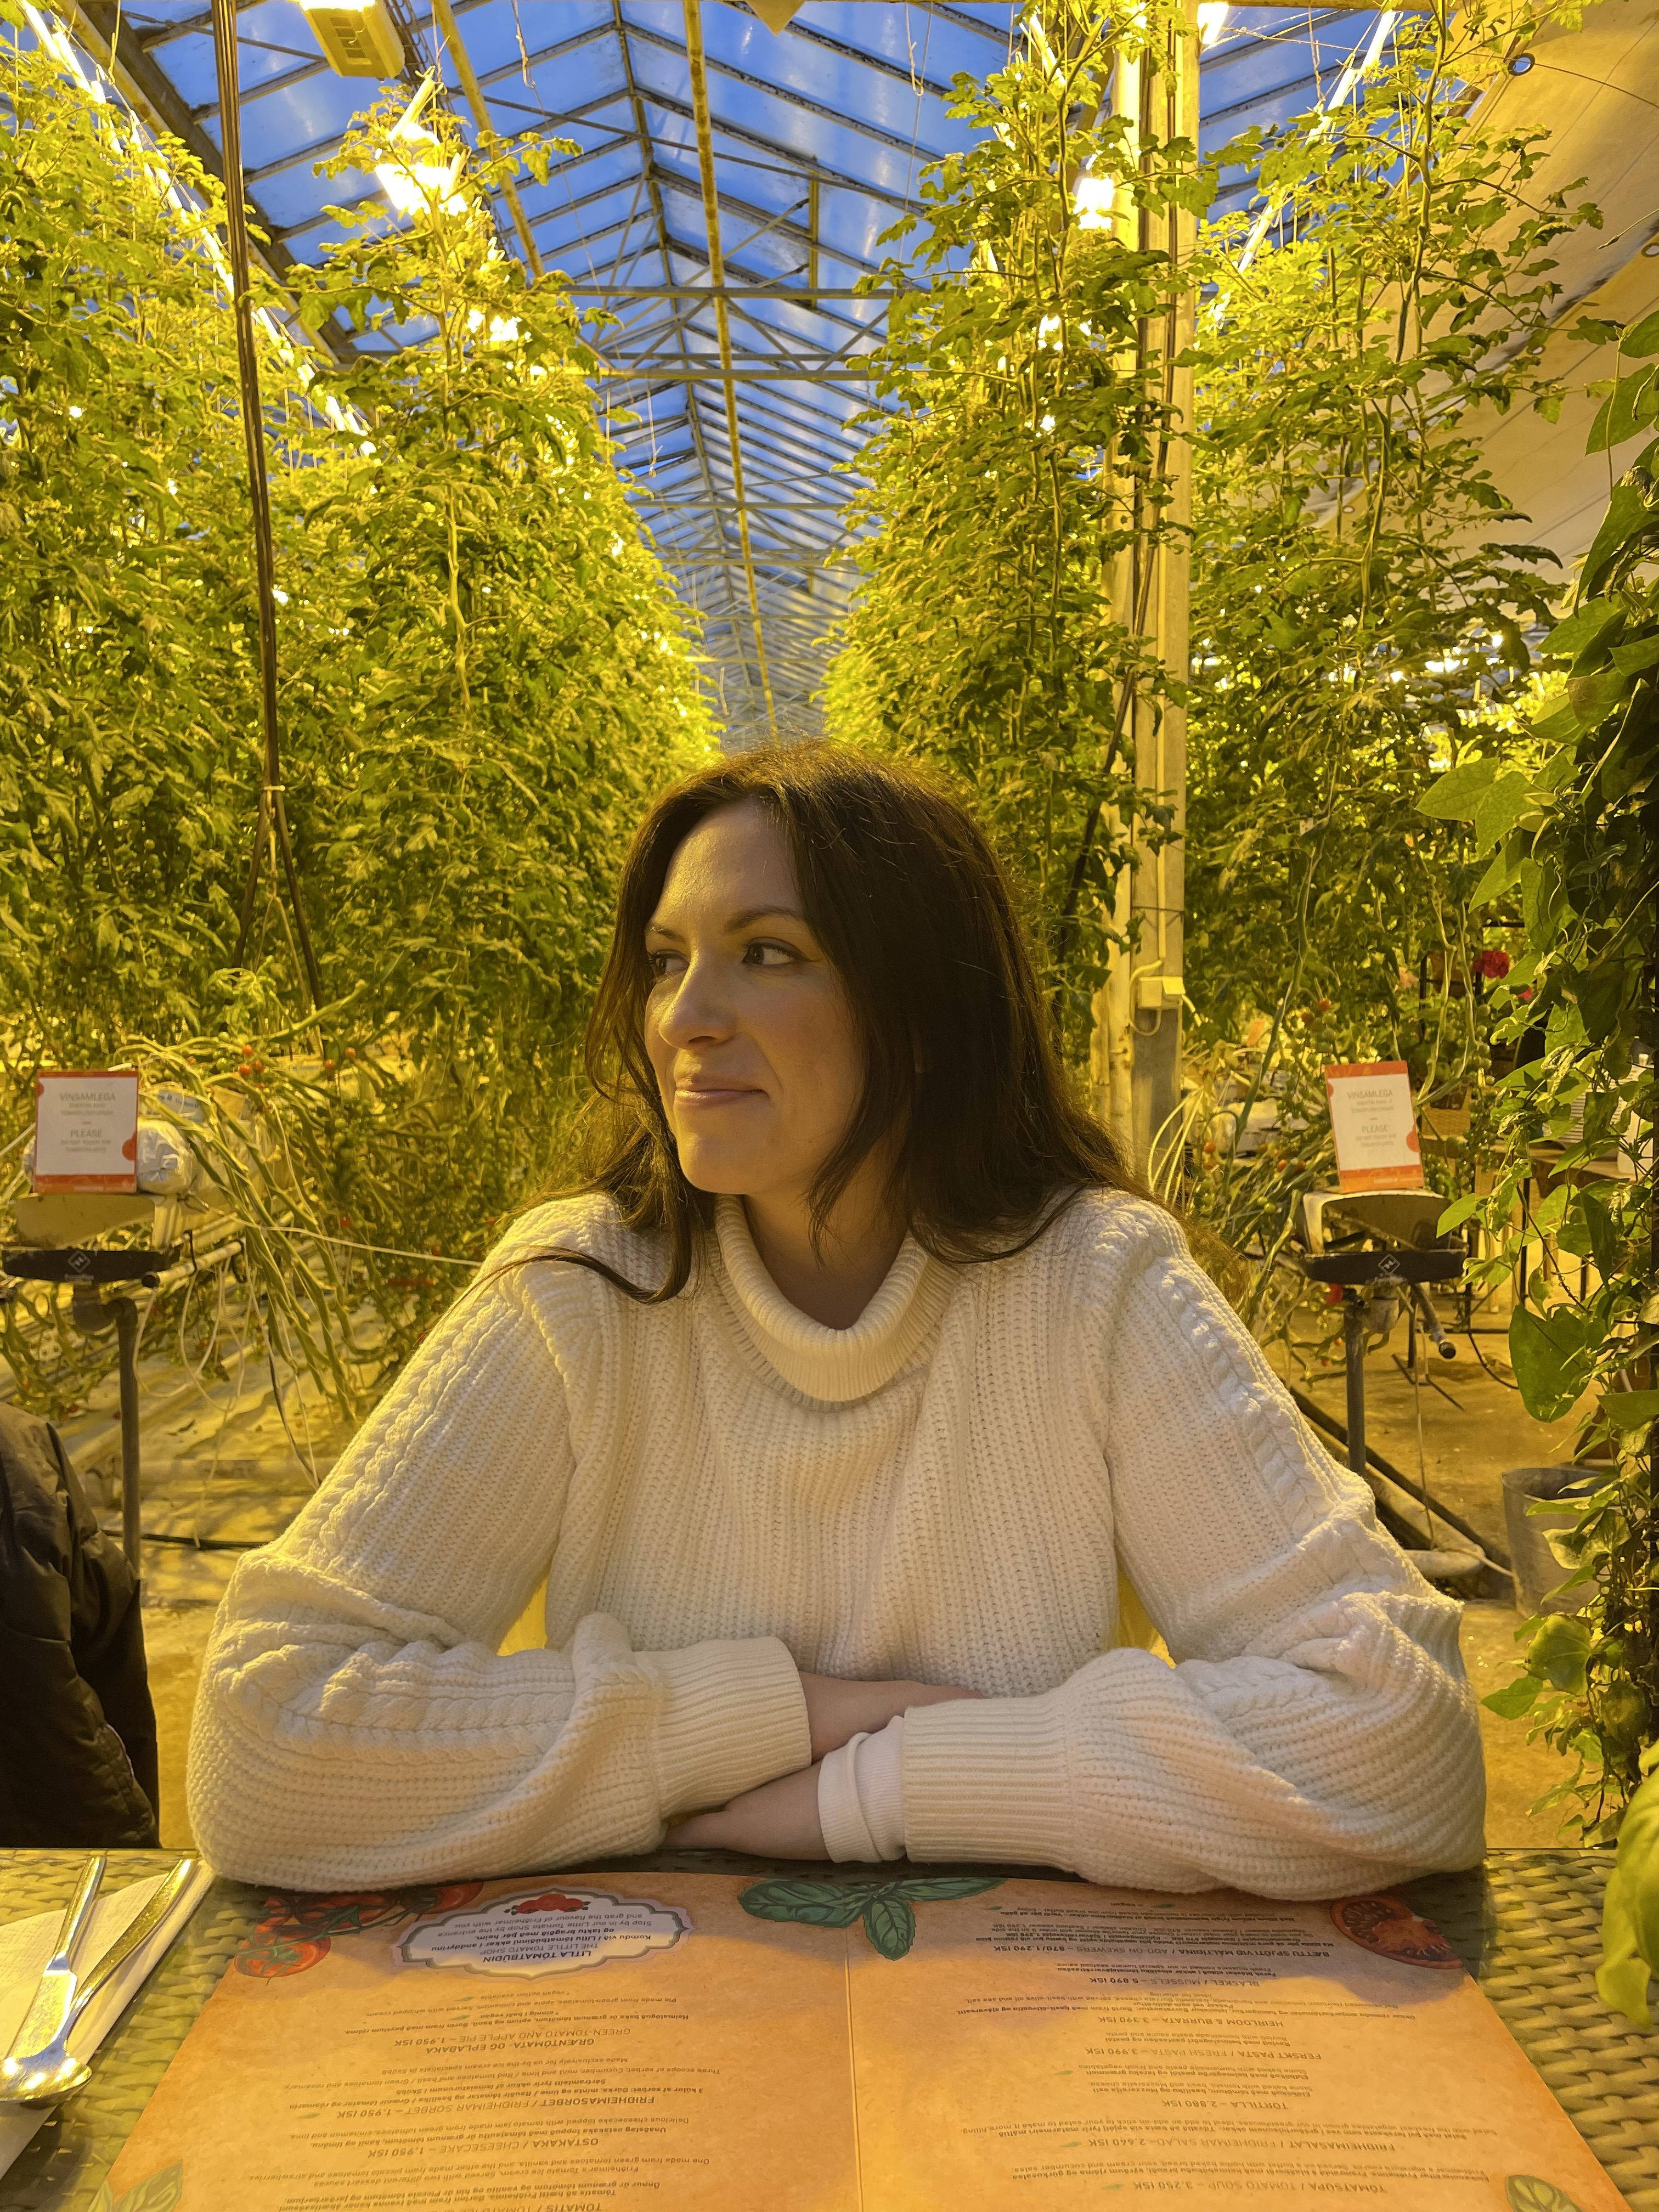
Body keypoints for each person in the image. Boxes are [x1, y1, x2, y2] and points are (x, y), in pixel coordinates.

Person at [188, 746, 1483, 1894]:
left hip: (1016, 2040)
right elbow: (264, 1742)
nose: (685, 1019)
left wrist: (878, 1792)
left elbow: (1400, 1734)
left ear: (922, 1017)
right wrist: (782, 1716)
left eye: (767, 953)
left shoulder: (1094, 1286)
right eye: (666, 962)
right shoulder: (580, 1291)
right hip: (651, 2026)